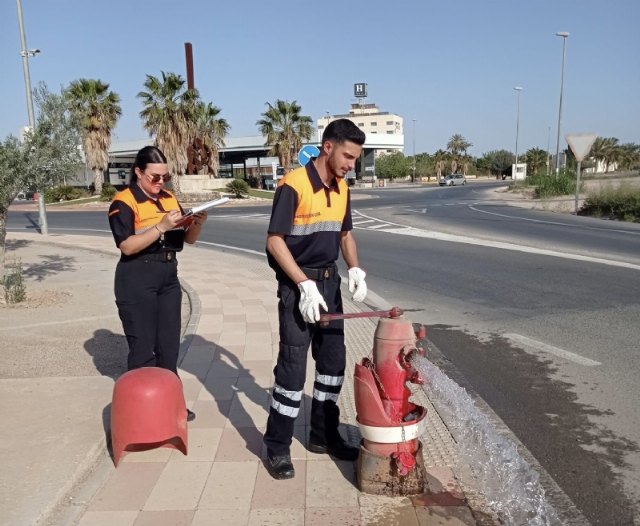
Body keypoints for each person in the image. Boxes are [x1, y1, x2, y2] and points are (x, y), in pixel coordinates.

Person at [263, 119, 368, 480]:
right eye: (348, 156)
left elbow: (345, 233)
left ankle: (323, 436)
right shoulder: (292, 185)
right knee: (292, 372)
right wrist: (303, 284)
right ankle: (277, 447)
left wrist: (355, 268)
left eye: (355, 159)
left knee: (332, 368)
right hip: (298, 288)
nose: (351, 164)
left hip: (329, 286)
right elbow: (275, 241)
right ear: (328, 147)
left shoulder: (342, 188)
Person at [107, 146, 207, 422]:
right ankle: (142, 413)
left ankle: (170, 403)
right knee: (142, 348)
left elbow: (188, 240)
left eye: (166, 177)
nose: (161, 182)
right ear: (138, 172)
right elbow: (127, 246)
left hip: (168, 275)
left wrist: (197, 223)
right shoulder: (123, 202)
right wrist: (161, 226)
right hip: (137, 275)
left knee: (168, 346)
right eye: (155, 177)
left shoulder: (169, 198)